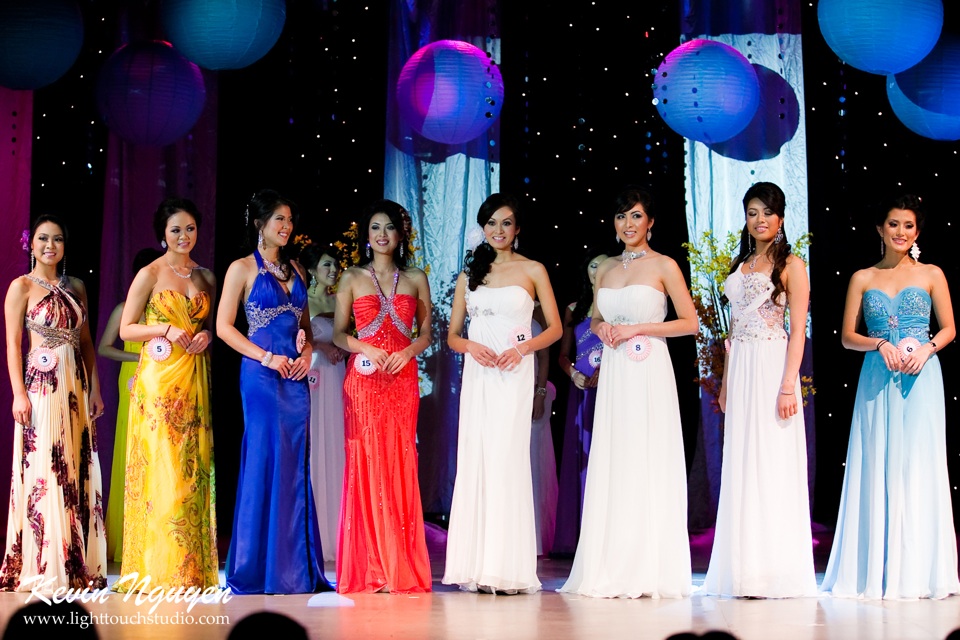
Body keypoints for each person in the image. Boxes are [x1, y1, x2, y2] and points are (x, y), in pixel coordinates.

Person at [559, 186, 696, 598]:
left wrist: (639, 328)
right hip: (616, 369)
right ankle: (612, 561)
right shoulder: (606, 269)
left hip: (649, 367)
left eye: (636, 216)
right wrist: (602, 328)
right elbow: (597, 316)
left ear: (650, 222)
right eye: (622, 217)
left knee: (648, 456)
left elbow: (688, 323)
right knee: (616, 457)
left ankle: (649, 565)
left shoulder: (665, 265)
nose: (628, 224)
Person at [821, 194, 959, 599]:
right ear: (880, 229)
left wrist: (928, 349)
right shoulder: (862, 278)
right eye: (894, 224)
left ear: (917, 232)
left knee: (918, 465)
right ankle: (876, 570)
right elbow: (848, 337)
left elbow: (949, 328)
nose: (901, 232)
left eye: (909, 226)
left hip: (921, 379)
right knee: (878, 463)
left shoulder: (932, 273)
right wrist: (880, 342)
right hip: (877, 379)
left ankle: (918, 572)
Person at [442, 193, 562, 594]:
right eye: (491, 223)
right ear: (483, 227)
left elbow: (555, 329)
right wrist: (470, 347)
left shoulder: (533, 270)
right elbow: (452, 336)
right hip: (479, 376)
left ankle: (507, 569)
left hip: (513, 374)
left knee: (507, 460)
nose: (498, 230)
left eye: (506, 223)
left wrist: (521, 349)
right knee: (477, 460)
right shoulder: (469, 275)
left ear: (518, 228)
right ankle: (477, 567)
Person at [702, 182, 817, 598]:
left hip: (772, 365)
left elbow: (797, 331)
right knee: (743, 461)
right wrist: (727, 383)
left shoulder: (792, 264)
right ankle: (744, 568)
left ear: (781, 218)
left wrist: (789, 385)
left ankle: (774, 569)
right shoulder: (741, 265)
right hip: (743, 366)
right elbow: (733, 330)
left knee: (771, 460)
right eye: (753, 212)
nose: (760, 219)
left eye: (767, 212)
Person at [217, 190, 332, 594]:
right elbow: (224, 328)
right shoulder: (240, 269)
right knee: (265, 460)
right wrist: (266, 358)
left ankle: (296, 567)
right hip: (262, 377)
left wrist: (308, 353)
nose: (286, 227)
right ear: (259, 223)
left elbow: (307, 330)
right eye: (278, 220)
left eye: (289, 220)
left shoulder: (298, 269)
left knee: (295, 462)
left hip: (296, 377)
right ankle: (256, 567)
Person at [115, 198, 218, 592]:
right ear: (163, 234)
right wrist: (163, 330)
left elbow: (208, 325)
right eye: (176, 229)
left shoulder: (205, 277)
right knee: (163, 469)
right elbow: (126, 329)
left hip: (193, 378)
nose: (183, 236)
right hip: (157, 381)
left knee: (191, 470)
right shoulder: (150, 274)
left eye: (190, 228)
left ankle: (189, 569)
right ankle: (158, 569)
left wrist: (205, 334)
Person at [0, 215, 107, 592]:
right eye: (44, 239)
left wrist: (94, 389)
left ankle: (76, 562)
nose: (51, 246)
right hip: (41, 388)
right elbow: (13, 345)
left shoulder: (76, 285)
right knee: (48, 466)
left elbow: (88, 342)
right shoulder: (21, 288)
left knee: (75, 464)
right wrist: (17, 393)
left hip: (75, 387)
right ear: (31, 244)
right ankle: (48, 562)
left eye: (58, 239)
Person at [333, 199, 433, 594]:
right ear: (366, 235)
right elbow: (340, 333)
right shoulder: (352, 277)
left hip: (403, 379)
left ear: (400, 233)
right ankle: (372, 566)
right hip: (364, 379)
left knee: (399, 461)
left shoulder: (415, 278)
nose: (382, 235)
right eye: (375, 228)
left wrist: (408, 351)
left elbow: (426, 333)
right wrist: (365, 348)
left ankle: (398, 563)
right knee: (366, 462)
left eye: (389, 227)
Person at [98, 247, 163, 563]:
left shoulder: (165, 310)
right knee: (131, 451)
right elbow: (105, 348)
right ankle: (127, 537)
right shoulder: (125, 308)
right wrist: (138, 357)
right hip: (132, 381)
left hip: (162, 383)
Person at [552, 247, 608, 555]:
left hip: (610, 386)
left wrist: (608, 370)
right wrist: (572, 373)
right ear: (586, 272)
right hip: (582, 387)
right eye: (592, 266)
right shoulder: (574, 308)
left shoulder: (615, 307)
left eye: (602, 266)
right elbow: (561, 355)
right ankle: (578, 536)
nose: (597, 271)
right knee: (582, 455)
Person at [300, 242, 346, 564]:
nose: (332, 271)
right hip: (314, 372)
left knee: (336, 442)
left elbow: (350, 334)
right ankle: (314, 534)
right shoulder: (303, 299)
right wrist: (321, 346)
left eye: (335, 266)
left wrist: (342, 347)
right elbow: (298, 337)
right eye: (327, 265)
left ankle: (337, 532)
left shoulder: (341, 299)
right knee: (314, 442)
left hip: (338, 374)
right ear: (314, 268)